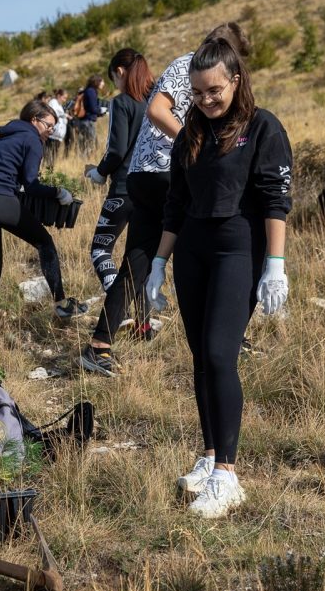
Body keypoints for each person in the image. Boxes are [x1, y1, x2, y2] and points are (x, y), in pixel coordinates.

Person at [145, 37, 292, 519]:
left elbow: (275, 199)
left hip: (238, 249)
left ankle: (228, 477)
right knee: (200, 358)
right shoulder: (191, 132)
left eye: (215, 90)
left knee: (218, 354)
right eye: (197, 93)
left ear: (235, 80)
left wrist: (275, 264)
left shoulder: (262, 126)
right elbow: (176, 203)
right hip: (192, 250)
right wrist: (158, 263)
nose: (206, 100)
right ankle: (210, 457)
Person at [94, 22, 252, 377]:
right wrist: (197, 147)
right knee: (211, 248)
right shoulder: (190, 65)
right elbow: (157, 110)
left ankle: (99, 345)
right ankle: (229, 338)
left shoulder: (189, 67)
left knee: (137, 261)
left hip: (144, 174)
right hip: (166, 173)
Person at [0, 99, 87, 326]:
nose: (51, 131)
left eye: (53, 127)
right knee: (45, 243)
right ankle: (61, 304)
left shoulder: (4, 138)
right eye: (48, 125)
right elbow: (31, 185)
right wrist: (58, 193)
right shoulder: (32, 139)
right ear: (34, 120)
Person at [77, 49, 154, 376]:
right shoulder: (157, 102)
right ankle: (144, 325)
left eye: (114, 78)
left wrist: (99, 172)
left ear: (120, 72)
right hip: (153, 193)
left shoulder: (122, 103)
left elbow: (117, 149)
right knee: (138, 262)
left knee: (100, 250)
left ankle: (117, 305)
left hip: (123, 189)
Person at [75, 75, 107, 156]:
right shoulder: (91, 91)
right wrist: (101, 110)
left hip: (83, 121)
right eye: (102, 81)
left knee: (85, 143)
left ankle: (83, 159)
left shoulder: (88, 90)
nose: (103, 83)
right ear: (97, 82)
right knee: (91, 144)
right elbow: (93, 108)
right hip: (87, 122)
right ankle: (85, 159)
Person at [44, 88, 70, 168]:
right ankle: (47, 172)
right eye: (64, 98)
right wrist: (64, 115)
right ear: (59, 96)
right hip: (52, 136)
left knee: (53, 157)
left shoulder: (59, 105)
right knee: (49, 157)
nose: (65, 100)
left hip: (57, 137)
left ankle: (50, 172)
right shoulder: (53, 102)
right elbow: (53, 113)